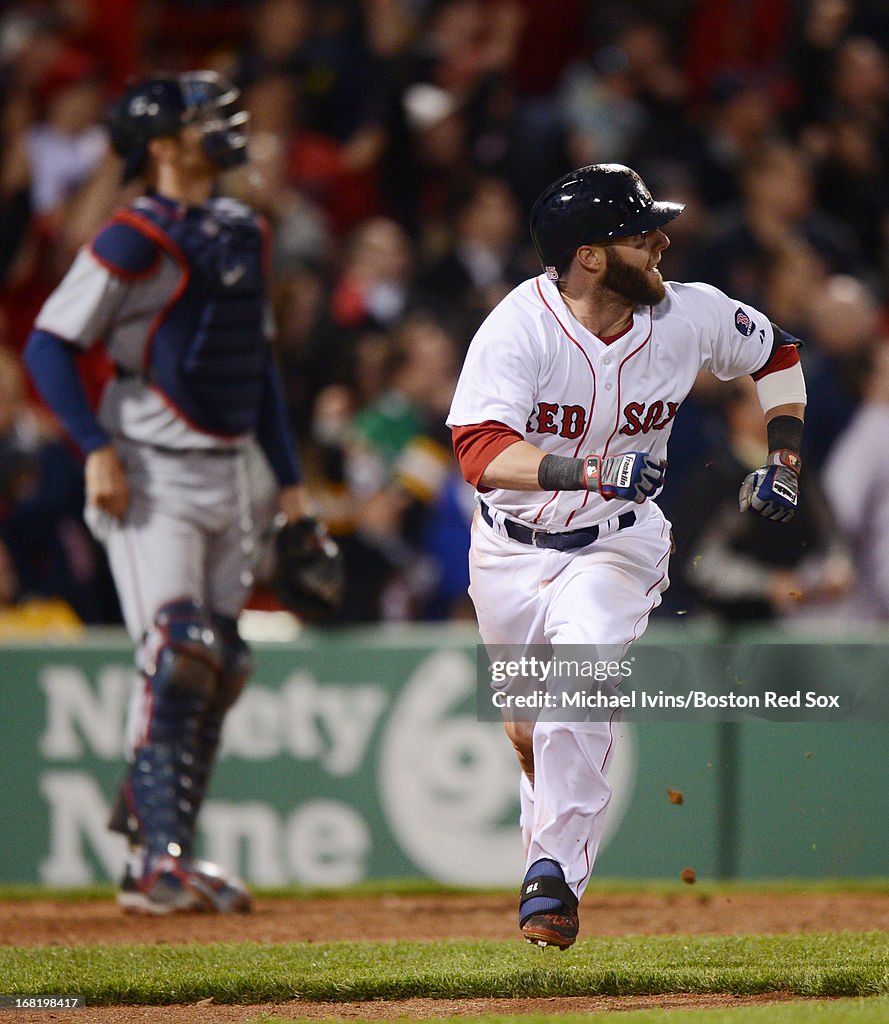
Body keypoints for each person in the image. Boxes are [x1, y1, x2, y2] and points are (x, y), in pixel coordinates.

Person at [446, 162, 807, 948]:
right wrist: (584, 468)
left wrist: (782, 460)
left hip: (617, 543)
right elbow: (477, 453)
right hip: (506, 550)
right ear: (588, 255)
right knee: (524, 730)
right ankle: (548, 848)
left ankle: (552, 877)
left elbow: (775, 355)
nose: (661, 241)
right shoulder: (519, 326)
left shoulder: (688, 313)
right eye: (640, 233)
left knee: (582, 674)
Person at [23, 71, 317, 914]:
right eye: (203, 119)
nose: (225, 125)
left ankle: (157, 841)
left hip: (231, 466)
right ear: (159, 145)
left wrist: (292, 485)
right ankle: (158, 860)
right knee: (178, 646)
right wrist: (93, 448)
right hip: (146, 465)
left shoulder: (240, 226)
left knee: (223, 657)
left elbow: (252, 365)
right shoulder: (129, 237)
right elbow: (49, 344)